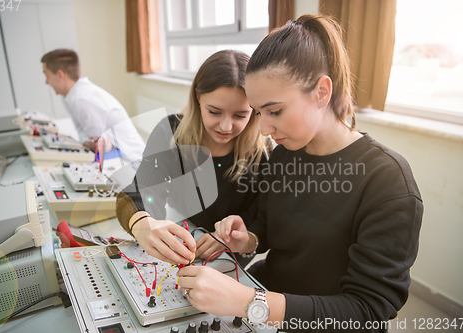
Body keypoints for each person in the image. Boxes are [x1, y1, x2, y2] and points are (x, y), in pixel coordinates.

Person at [170, 15, 423, 332]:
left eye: (275, 111)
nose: (264, 128)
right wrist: (246, 238)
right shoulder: (283, 155)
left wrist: (249, 302)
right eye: (259, 113)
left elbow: (368, 310)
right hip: (269, 302)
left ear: (321, 92)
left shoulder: (387, 180)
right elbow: (267, 224)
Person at [116, 50, 269, 263]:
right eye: (214, 112)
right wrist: (142, 223)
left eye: (240, 115)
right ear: (198, 97)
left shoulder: (262, 150)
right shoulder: (171, 131)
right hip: (185, 235)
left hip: (230, 258)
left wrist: (233, 238)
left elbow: (263, 221)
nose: (226, 127)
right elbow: (140, 191)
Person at [41, 49, 145, 165]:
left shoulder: (82, 99)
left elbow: (94, 145)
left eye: (46, 75)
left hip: (130, 160)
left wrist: (83, 142)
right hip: (117, 153)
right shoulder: (71, 96)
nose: (46, 82)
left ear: (60, 74)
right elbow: (84, 136)